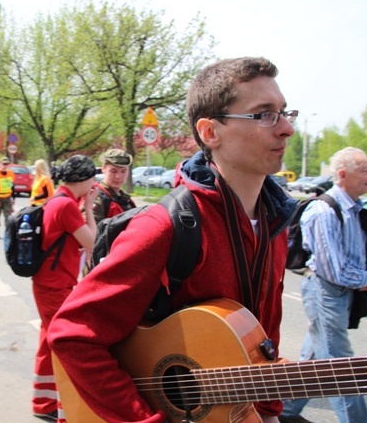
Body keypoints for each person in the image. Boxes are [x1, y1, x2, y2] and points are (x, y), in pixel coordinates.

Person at [47, 57, 298, 422]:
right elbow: (72, 334)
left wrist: (269, 411)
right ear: (210, 132)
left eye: (285, 111)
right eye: (263, 114)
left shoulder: (275, 223)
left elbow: (263, 339)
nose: (287, 128)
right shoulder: (165, 226)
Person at [280, 147, 367, 423]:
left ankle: (285, 412)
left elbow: (359, 249)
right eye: (365, 170)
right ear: (343, 174)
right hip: (326, 292)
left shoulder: (353, 206)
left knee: (314, 359)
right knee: (340, 368)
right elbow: (333, 270)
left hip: (337, 294)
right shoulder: (324, 210)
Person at [31, 155, 97, 422]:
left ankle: (43, 401)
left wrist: (86, 205)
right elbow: (92, 243)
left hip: (49, 284)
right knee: (66, 345)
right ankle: (64, 410)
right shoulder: (67, 206)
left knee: (49, 342)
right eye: (92, 177)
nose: (94, 183)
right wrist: (90, 209)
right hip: (56, 287)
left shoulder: (58, 200)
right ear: (83, 179)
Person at [88, 148, 135, 224]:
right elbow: (91, 232)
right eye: (113, 171)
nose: (118, 176)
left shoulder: (125, 198)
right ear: (103, 168)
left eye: (123, 171)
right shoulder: (95, 197)